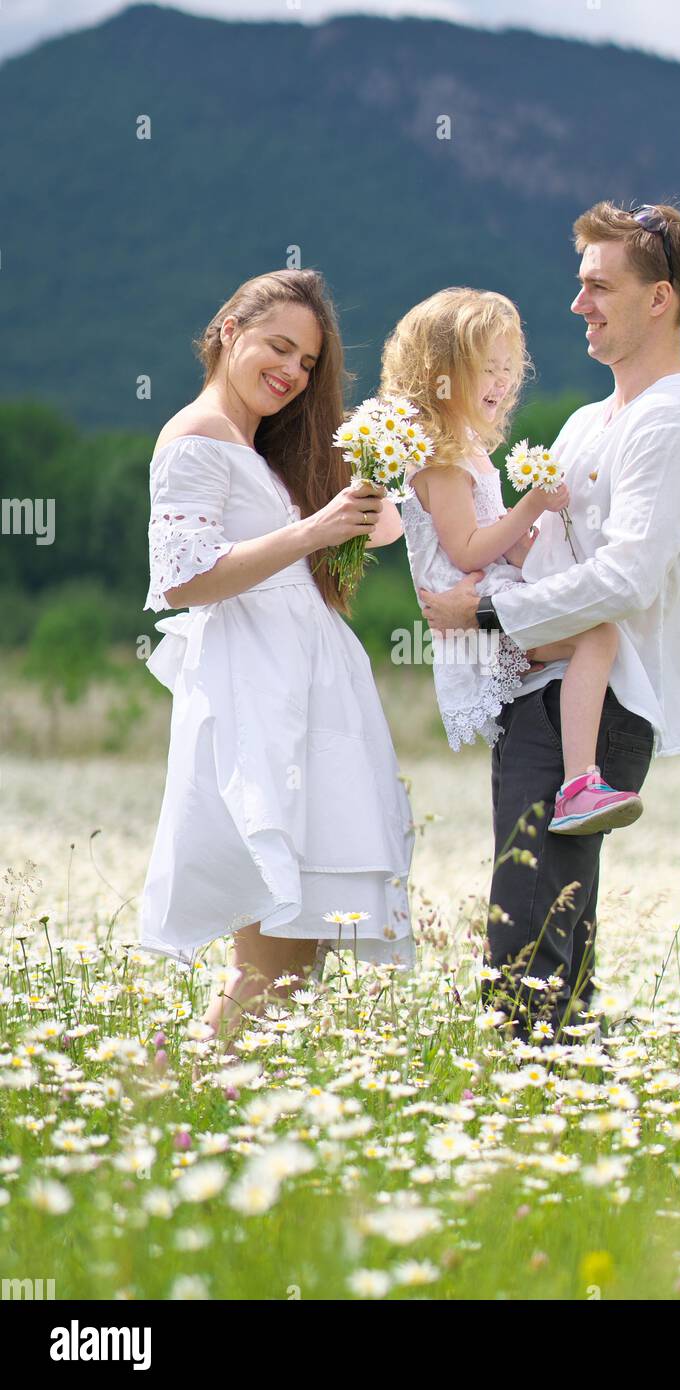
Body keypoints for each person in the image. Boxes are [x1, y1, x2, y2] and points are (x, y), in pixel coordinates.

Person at [418, 202, 680, 1042]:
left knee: (527, 934)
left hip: (602, 699)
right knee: (546, 932)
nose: (578, 304)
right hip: (542, 685)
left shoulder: (677, 417)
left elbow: (627, 578)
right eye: (578, 285)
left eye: (600, 286)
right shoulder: (583, 423)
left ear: (660, 299)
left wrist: (488, 610)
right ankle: (559, 1113)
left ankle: (519, 1109)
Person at [139, 268, 415, 1057]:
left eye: (306, 364)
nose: (291, 373)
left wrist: (376, 459)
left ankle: (200, 1094)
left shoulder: (260, 448)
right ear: (230, 328)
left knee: (301, 950)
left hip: (307, 686)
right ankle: (171, 1092)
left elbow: (387, 528)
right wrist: (312, 531)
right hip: (257, 691)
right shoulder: (195, 438)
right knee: (274, 941)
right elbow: (185, 577)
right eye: (279, 347)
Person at [383, 287, 644, 836]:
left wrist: (534, 548)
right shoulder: (440, 459)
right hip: (476, 609)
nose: (502, 382)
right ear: (441, 373)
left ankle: (578, 781)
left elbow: (494, 541)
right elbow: (468, 549)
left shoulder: (467, 451)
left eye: (509, 369)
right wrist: (531, 507)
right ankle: (579, 785)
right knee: (597, 637)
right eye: (486, 369)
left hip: (489, 600)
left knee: (590, 635)